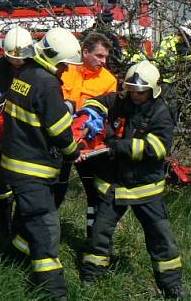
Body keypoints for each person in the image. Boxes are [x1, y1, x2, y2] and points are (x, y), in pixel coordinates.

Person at [77, 60, 186, 299]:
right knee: (99, 234)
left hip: (145, 188)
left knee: (161, 238)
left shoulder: (160, 113)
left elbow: (157, 148)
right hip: (113, 186)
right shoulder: (119, 101)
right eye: (132, 90)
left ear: (152, 90)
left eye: (141, 92)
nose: (135, 96)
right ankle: (91, 277)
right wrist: (91, 113)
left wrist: (120, 146)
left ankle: (171, 284)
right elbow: (97, 101)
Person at [1, 27, 82, 299]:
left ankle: (12, 257)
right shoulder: (47, 83)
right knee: (46, 227)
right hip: (31, 168)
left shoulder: (24, 74)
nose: (64, 71)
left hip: (16, 162)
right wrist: (73, 152)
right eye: (63, 65)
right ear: (52, 59)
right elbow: (60, 131)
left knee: (29, 219)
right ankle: (53, 291)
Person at [55, 32, 118, 239]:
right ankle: (48, 232)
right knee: (56, 190)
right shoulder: (66, 70)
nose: (103, 61)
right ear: (85, 52)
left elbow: (105, 116)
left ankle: (93, 238)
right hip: (61, 140)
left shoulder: (108, 81)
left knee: (94, 193)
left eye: (106, 57)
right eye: (99, 56)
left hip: (90, 146)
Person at [0, 26, 35, 235]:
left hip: (26, 134)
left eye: (20, 60)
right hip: (1, 132)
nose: (16, 64)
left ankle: (21, 226)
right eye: (12, 60)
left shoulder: (34, 66)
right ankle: (2, 224)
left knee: (25, 183)